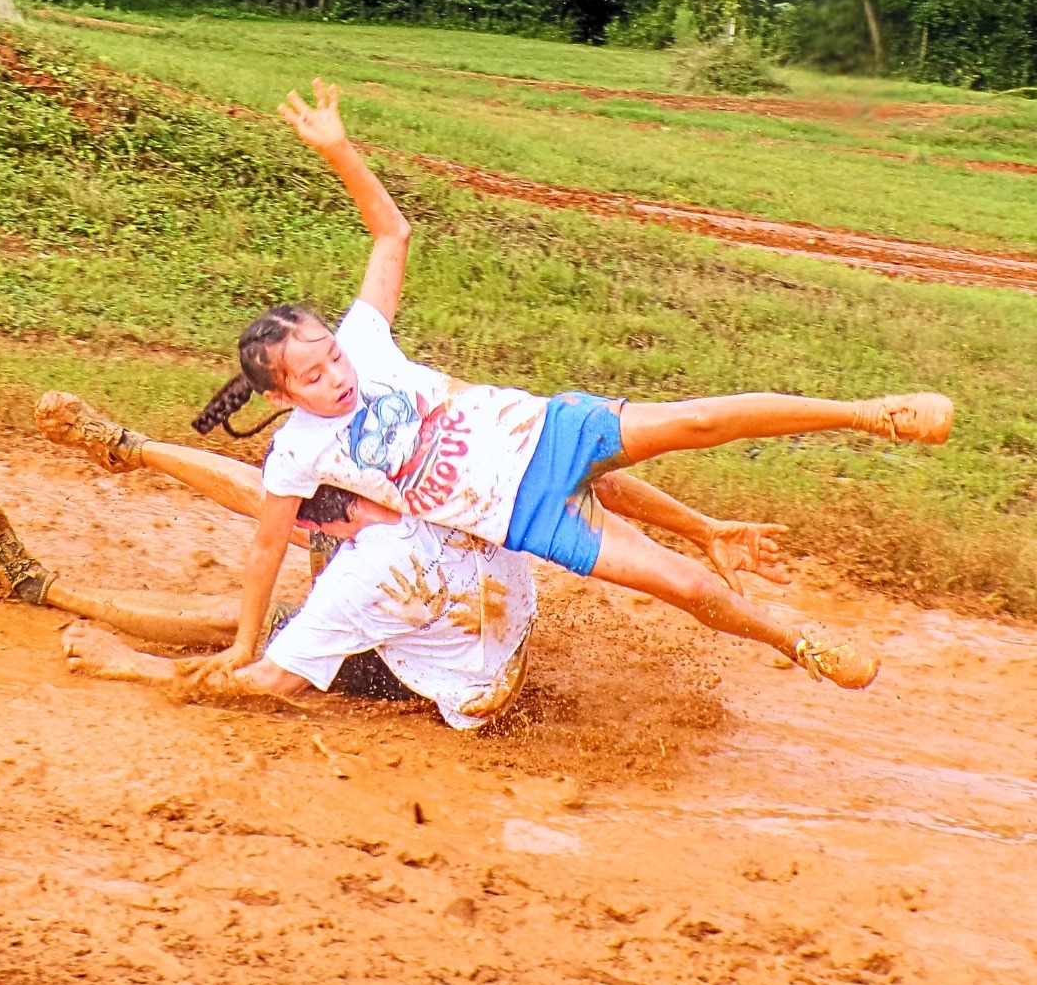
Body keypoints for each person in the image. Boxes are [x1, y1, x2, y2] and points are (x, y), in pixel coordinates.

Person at [170, 81, 953, 690]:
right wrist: (246, 643)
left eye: (331, 356)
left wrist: (338, 150)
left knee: (704, 420)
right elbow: (268, 544)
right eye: (311, 377)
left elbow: (391, 231)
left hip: (546, 430)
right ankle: (801, 643)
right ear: (279, 397)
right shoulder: (298, 453)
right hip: (525, 516)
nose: (336, 377)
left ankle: (871, 414)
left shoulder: (365, 341)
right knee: (680, 586)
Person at [0, 411, 796, 722]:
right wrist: (703, 524)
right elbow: (592, 474)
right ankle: (123, 454)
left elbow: (263, 683)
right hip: (478, 615)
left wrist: (132, 668)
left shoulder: (366, 574)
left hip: (445, 669)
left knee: (237, 629)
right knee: (278, 564)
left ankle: (42, 588)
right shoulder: (445, 479)